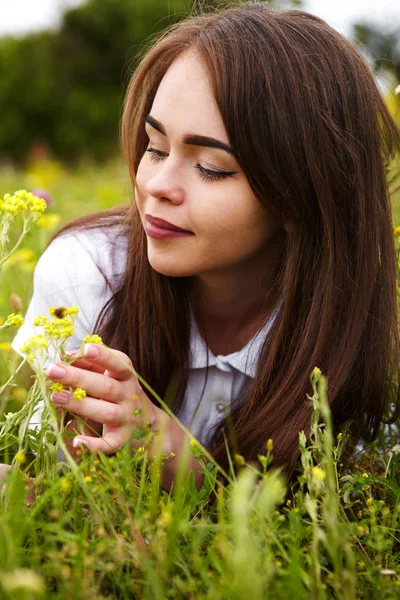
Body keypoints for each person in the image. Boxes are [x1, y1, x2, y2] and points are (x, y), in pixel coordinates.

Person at [11, 1, 400, 489]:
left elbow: (346, 516)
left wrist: (178, 460)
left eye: (212, 167)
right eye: (154, 148)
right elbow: (45, 480)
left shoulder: (363, 340)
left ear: (301, 196)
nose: (157, 185)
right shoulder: (88, 274)